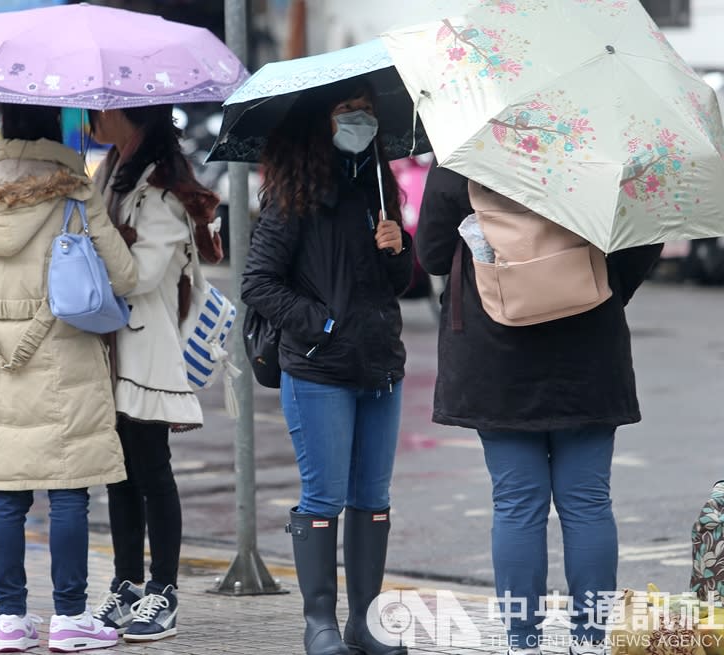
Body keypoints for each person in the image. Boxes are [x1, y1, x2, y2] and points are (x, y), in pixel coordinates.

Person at [415, 164, 663, 655]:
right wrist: (596, 289)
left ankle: (521, 642)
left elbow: (434, 254)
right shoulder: (600, 150)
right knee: (588, 503)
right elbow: (643, 239)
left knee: (516, 504)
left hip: (496, 351)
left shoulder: (465, 151)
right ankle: (589, 642)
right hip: (589, 345)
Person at [0, 103, 138, 653]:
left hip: (0, 354)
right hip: (64, 355)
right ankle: (70, 618)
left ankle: (11, 621)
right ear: (56, 129)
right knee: (69, 491)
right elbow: (125, 273)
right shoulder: (72, 189)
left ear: (3, 130)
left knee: (9, 493)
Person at [241, 77, 413, 655]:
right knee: (324, 497)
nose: (359, 121)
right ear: (320, 121)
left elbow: (397, 284)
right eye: (347, 111)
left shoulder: (378, 191)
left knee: (373, 497)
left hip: (380, 365)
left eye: (366, 112)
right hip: (319, 370)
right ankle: (320, 624)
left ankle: (365, 624)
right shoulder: (296, 198)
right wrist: (325, 324)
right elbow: (258, 283)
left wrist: (400, 249)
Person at [88, 105, 223, 643]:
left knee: (151, 472)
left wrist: (95, 234)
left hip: (145, 351)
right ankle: (126, 585)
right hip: (108, 347)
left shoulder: (162, 192)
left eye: (105, 108)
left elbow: (140, 276)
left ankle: (162, 592)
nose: (94, 115)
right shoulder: (110, 176)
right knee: (117, 475)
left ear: (133, 117)